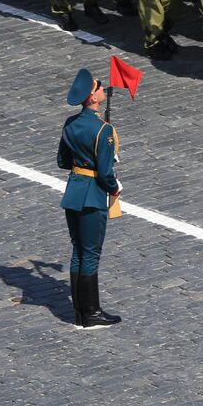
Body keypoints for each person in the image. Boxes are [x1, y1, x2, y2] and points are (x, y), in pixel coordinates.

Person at [58, 69, 121, 328]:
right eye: (99, 88)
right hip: (93, 195)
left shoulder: (70, 124)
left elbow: (63, 161)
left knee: (78, 252)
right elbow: (105, 173)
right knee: (92, 253)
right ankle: (92, 312)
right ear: (92, 98)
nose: (103, 90)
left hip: (73, 192)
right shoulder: (103, 129)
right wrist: (115, 186)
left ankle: (79, 313)